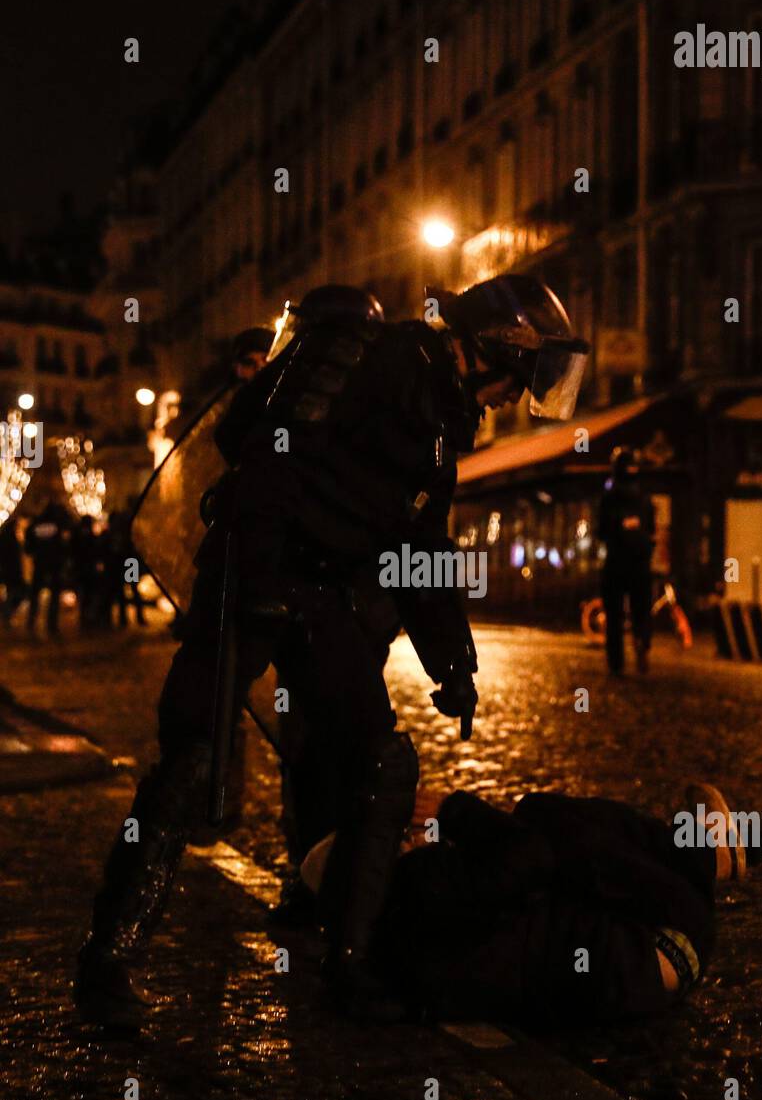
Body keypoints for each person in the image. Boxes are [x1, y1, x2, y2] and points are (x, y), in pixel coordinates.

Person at [74, 273, 589, 1030]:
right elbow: (256, 440)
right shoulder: (363, 351)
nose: (516, 395)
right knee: (191, 757)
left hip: (327, 599)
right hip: (254, 577)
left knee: (380, 765)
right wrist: (261, 564)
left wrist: (453, 663)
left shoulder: (448, 420)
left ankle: (350, 965)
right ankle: (108, 960)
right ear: (491, 348)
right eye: (518, 375)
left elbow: (422, 545)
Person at [296, 782, 752, 1028]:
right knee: (539, 813)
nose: (408, 840)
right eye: (394, 843)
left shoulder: (390, 955)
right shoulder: (417, 887)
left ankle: (704, 851)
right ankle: (705, 852)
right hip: (661, 938)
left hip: (647, 977)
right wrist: (454, 812)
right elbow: (529, 856)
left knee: (563, 866)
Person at [598, 447, 655, 676]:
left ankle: (616, 662)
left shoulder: (609, 496)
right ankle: (641, 641)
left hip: (616, 562)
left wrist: (617, 529)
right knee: (641, 610)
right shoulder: (643, 496)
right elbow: (651, 530)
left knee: (614, 616)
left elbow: (601, 531)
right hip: (640, 563)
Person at [24, 501, 69, 637]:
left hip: (40, 563)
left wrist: (35, 552)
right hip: (54, 563)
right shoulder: (58, 525)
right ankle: (51, 623)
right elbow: (63, 545)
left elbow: (28, 546)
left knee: (35, 592)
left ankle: (32, 620)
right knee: (54, 593)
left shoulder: (36, 525)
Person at [70, 515, 102, 630]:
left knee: (83, 596)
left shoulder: (77, 536)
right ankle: (87, 619)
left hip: (81, 571)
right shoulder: (91, 537)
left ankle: (85, 618)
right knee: (88, 596)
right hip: (87, 571)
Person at [0, 517, 26, 628]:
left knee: (13, 593)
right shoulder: (10, 538)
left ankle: (6, 614)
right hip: (11, 571)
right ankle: (6, 614)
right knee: (15, 593)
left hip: (9, 571)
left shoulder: (7, 537)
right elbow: (13, 557)